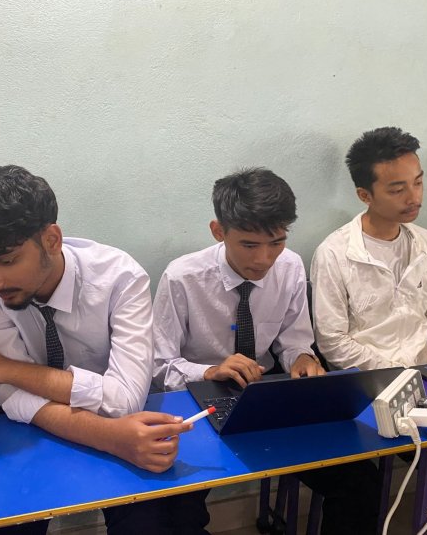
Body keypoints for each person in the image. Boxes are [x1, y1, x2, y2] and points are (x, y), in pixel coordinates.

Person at [0, 165, 192, 535]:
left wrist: (7, 369)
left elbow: (124, 400)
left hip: (113, 420)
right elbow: (12, 398)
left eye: (7, 260)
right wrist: (109, 437)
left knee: (151, 522)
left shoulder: (121, 278)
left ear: (51, 240)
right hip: (39, 430)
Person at [153, 167, 379, 535]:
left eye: (276, 242)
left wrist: (302, 358)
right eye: (249, 245)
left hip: (266, 392)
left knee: (360, 482)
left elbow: (293, 340)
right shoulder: (182, 277)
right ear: (218, 231)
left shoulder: (290, 267)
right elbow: (159, 365)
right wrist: (208, 372)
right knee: (175, 511)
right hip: (200, 398)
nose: (264, 259)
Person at [310, 126, 427, 532]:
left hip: (426, 384)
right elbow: (334, 343)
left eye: (418, 182)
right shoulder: (335, 253)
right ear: (365, 195)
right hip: (364, 388)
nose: (413, 197)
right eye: (397, 189)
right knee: (361, 485)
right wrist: (399, 374)